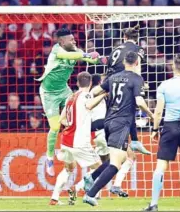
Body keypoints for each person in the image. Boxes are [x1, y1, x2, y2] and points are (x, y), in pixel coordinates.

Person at [82, 51, 153, 206]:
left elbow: (94, 91)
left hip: (109, 122)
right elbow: (140, 102)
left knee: (119, 158)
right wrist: (151, 115)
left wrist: (98, 94)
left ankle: (92, 177)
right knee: (116, 164)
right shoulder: (136, 78)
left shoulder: (113, 77)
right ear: (136, 63)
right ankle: (91, 193)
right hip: (121, 123)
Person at [36, 28, 105, 177]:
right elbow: (70, 55)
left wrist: (99, 58)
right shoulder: (57, 50)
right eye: (70, 39)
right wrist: (85, 54)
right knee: (55, 127)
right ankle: (49, 158)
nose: (74, 41)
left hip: (64, 90)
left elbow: (88, 59)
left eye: (74, 39)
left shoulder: (75, 50)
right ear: (61, 41)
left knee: (81, 111)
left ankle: (81, 143)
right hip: (48, 94)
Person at [144, 54, 180, 211]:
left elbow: (158, 111)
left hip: (170, 126)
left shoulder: (164, 85)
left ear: (173, 67)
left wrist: (155, 129)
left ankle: (154, 204)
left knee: (161, 166)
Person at [49, 72, 106, 205]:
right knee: (102, 167)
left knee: (68, 169)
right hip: (79, 142)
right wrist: (104, 94)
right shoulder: (87, 95)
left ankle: (55, 198)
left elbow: (61, 119)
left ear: (77, 83)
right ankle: (83, 189)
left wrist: (71, 125)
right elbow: (90, 105)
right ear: (90, 83)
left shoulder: (70, 97)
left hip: (66, 140)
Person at [104, 24, 150, 155]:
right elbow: (137, 66)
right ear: (137, 38)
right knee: (129, 109)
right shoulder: (137, 49)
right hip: (125, 82)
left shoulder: (115, 49)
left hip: (110, 84)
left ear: (124, 37)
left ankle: (128, 141)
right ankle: (133, 141)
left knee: (113, 111)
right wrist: (139, 83)